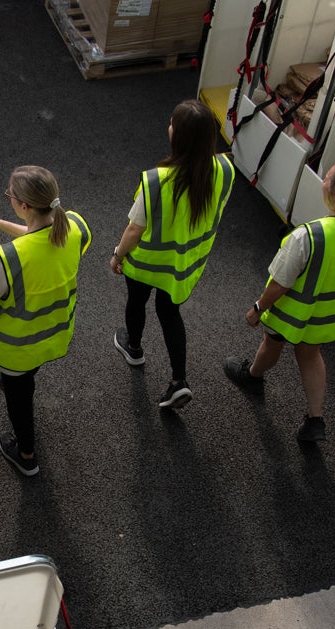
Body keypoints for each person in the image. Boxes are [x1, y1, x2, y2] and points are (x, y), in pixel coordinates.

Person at [223, 157, 335, 442]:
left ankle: (253, 376)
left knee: (271, 344)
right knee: (311, 355)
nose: (323, 181)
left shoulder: (308, 236)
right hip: (331, 311)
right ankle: (315, 419)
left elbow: (280, 284)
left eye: (327, 178)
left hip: (293, 312)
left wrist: (257, 308)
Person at [0, 165, 91, 476]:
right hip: (53, 334)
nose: (9, 200)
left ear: (24, 206)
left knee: (19, 399)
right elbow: (43, 235)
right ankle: (20, 387)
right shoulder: (75, 227)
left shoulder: (9, 257)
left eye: (9, 196)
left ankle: (26, 455)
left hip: (15, 349)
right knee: (25, 380)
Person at [111, 99, 235, 409]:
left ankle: (134, 348)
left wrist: (118, 255)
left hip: (146, 263)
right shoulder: (225, 170)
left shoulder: (155, 181)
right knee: (169, 314)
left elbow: (134, 230)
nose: (168, 126)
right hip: (185, 265)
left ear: (178, 136)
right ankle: (179, 380)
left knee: (137, 302)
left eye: (172, 124)